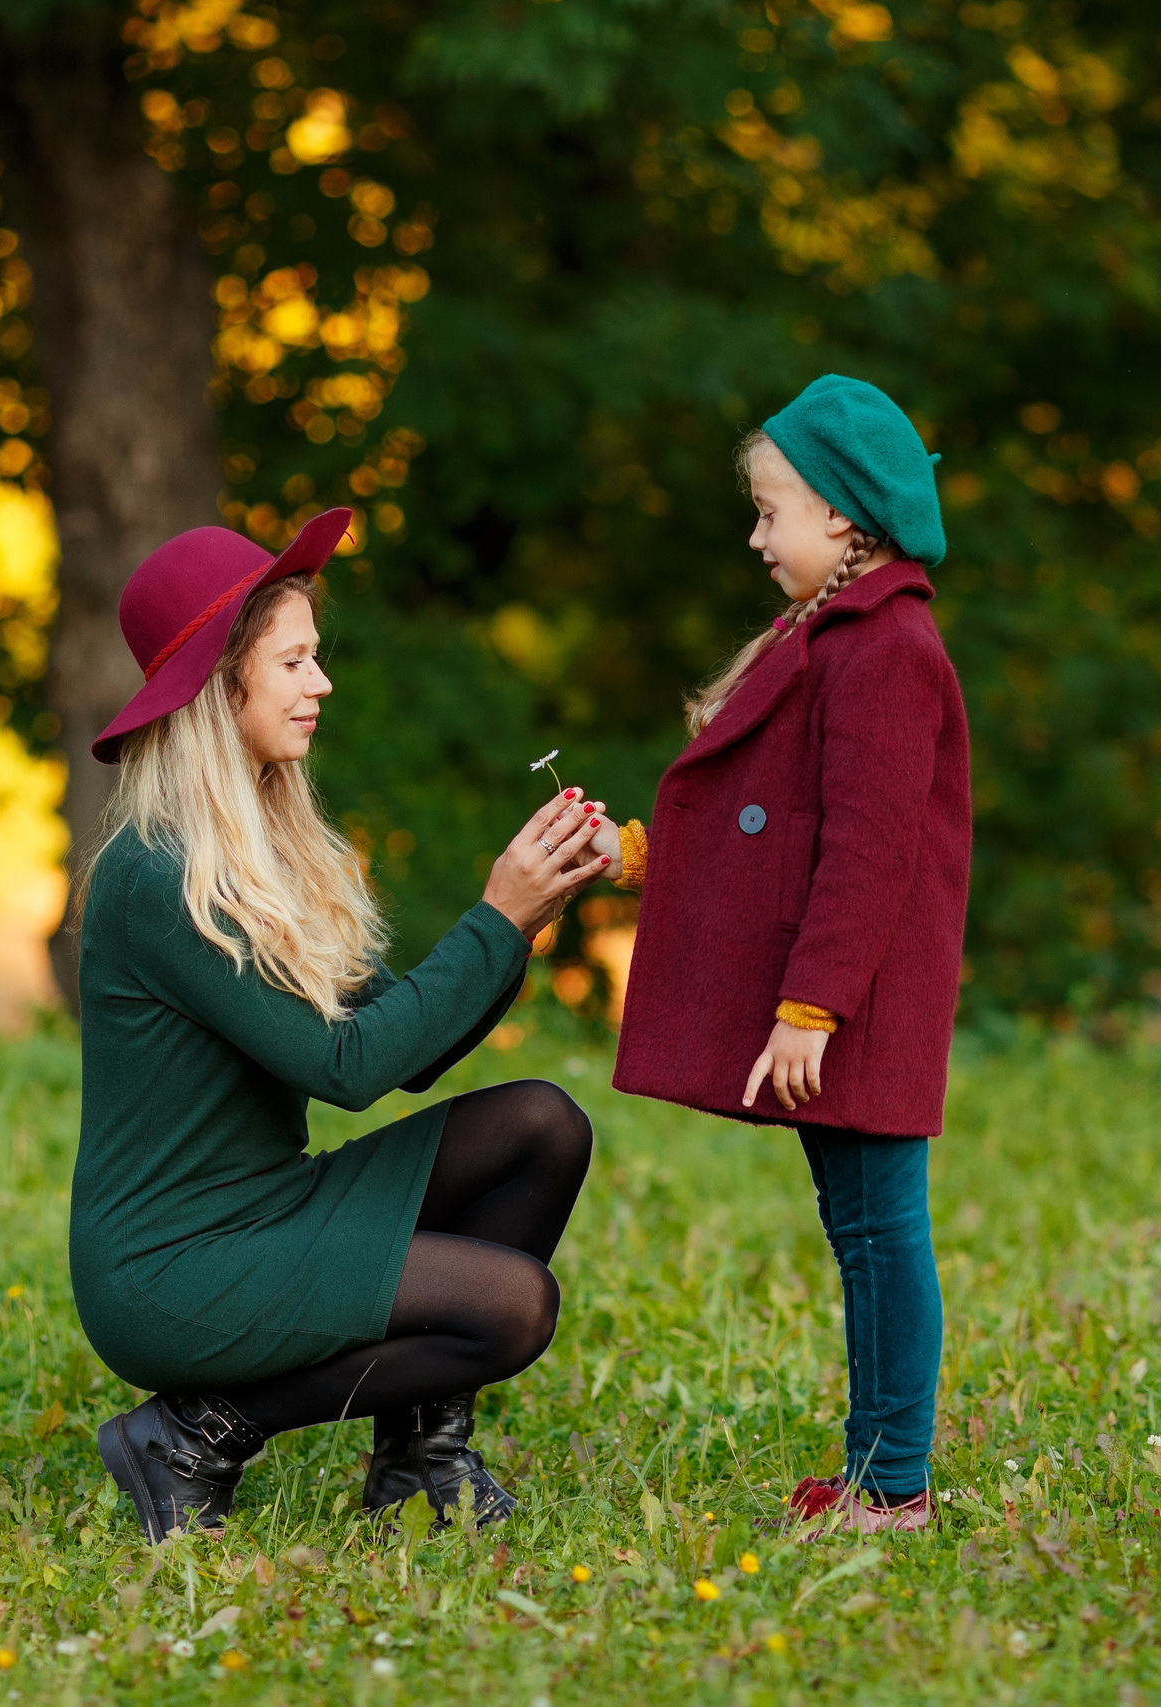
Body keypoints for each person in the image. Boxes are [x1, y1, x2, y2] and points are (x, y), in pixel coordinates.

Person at [70, 507, 615, 1542]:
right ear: (216, 685)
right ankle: (197, 1432)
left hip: (265, 1209)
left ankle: (418, 1462)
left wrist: (523, 924)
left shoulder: (257, 851)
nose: (319, 684)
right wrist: (492, 919)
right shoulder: (158, 875)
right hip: (170, 1266)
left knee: (543, 1124)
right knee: (512, 1307)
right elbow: (349, 1068)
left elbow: (394, 1045)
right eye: (294, 662)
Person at [592, 376, 971, 1534]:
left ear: (845, 519)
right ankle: (876, 1471)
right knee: (862, 1234)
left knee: (878, 1235)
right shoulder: (830, 638)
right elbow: (777, 832)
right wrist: (640, 859)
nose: (756, 539)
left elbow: (866, 854)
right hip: (835, 1001)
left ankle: (893, 1483)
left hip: (851, 1003)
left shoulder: (888, 649)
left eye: (771, 513)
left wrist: (809, 1010)